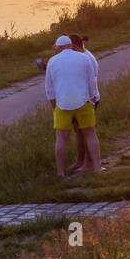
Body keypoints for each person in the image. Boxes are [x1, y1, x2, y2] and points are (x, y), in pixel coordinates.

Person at [44, 38, 101, 178]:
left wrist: (54, 107)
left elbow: (49, 88)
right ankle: (97, 168)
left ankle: (60, 172)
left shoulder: (52, 61)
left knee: (61, 138)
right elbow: (91, 80)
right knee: (90, 134)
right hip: (83, 101)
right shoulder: (84, 58)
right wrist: (93, 98)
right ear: (70, 45)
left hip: (62, 104)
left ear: (59, 47)